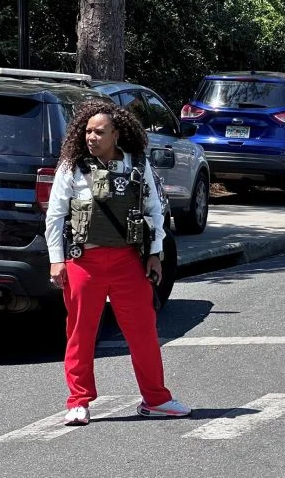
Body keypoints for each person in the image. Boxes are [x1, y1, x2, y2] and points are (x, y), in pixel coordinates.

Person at [45, 100, 192, 425]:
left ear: (117, 133)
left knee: (143, 332)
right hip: (84, 262)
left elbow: (154, 212)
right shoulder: (72, 167)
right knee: (81, 333)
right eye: (87, 131)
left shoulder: (137, 166)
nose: (91, 137)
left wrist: (154, 254)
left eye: (99, 132)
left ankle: (156, 399)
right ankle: (78, 402)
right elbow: (55, 216)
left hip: (129, 262)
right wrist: (57, 260)